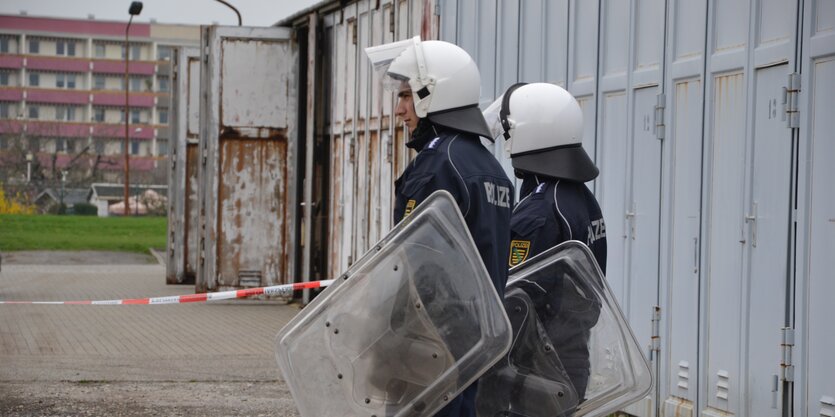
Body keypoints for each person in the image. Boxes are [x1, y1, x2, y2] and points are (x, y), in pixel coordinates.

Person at [366, 37, 513, 417]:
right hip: (472, 338)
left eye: (406, 96)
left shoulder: (437, 165)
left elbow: (415, 265)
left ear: (433, 94)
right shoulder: (487, 164)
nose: (400, 110)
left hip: (430, 343)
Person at [494, 82, 607, 400]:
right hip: (571, 355)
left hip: (538, 366)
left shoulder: (540, 211)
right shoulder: (579, 197)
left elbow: (517, 300)